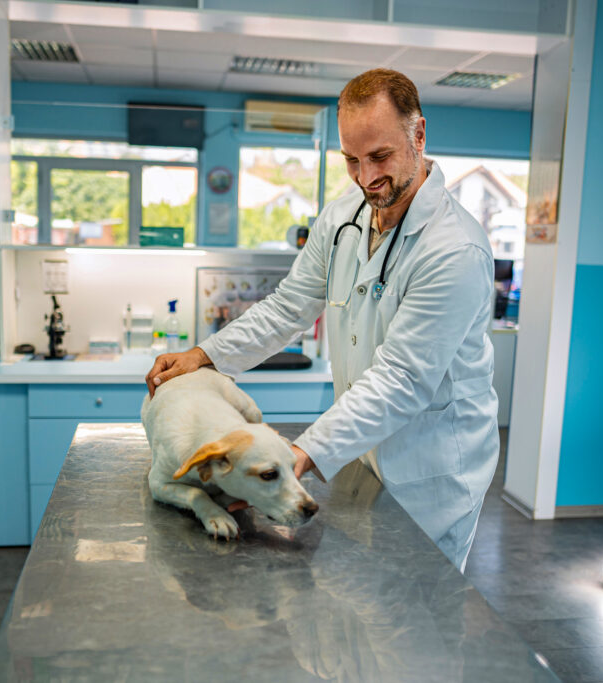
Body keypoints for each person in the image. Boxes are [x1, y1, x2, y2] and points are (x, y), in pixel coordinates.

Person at [145, 69, 499, 571]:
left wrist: (301, 454)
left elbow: (402, 378)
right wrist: (206, 355)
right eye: (352, 160)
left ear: (419, 135)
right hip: (363, 452)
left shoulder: (454, 250)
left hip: (433, 467)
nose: (366, 177)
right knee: (359, 607)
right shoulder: (342, 219)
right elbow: (289, 304)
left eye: (380, 157)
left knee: (418, 622)